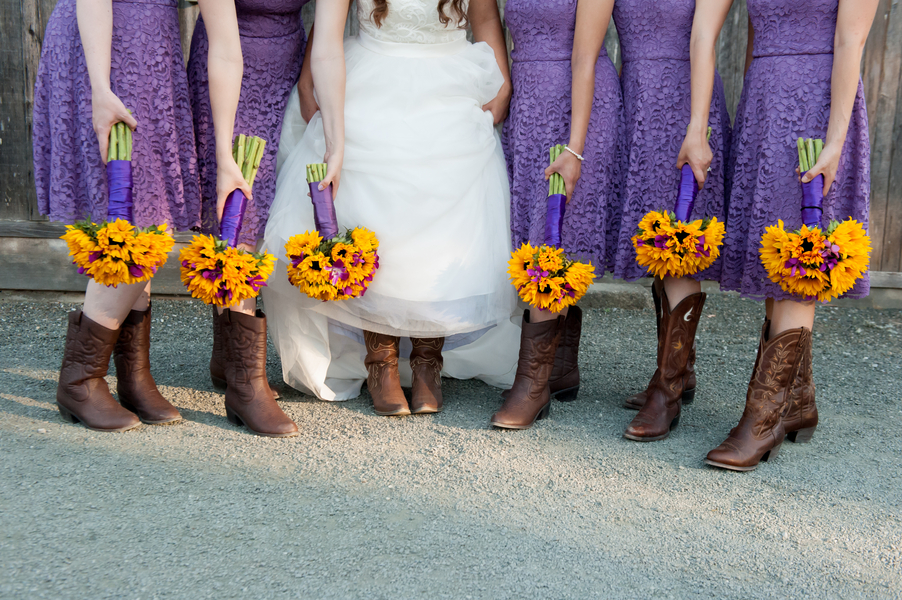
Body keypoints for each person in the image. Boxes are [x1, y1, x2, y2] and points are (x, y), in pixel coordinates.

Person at [262, 0, 521, 413]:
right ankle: (379, 360)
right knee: (372, 207)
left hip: (450, 77)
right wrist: (314, 85)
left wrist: (501, 82)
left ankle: (426, 360)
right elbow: (327, 29)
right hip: (372, 71)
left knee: (443, 212)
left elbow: (485, 15)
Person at [680, 0, 877, 470]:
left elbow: (851, 40)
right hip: (763, 106)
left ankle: (763, 419)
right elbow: (722, 34)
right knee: (774, 258)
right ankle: (798, 402)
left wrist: (834, 141)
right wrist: (713, 126)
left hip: (818, 104)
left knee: (798, 256)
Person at [33, 0, 247, 432]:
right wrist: (99, 86)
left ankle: (133, 377)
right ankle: (79, 380)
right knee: (134, 220)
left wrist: (226, 156)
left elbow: (226, 46)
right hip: (101, 51)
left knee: (150, 219)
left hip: (153, 57)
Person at [492, 0, 624, 429]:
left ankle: (531, 384)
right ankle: (560, 368)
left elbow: (585, 56)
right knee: (534, 235)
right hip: (529, 105)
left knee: (551, 236)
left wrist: (575, 147)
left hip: (576, 110)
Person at [187, 0, 316, 437]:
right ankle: (246, 384)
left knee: (264, 211)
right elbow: (224, 46)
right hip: (228, 75)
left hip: (285, 70)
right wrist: (223, 149)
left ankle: (227, 357)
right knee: (239, 206)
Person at [609, 0, 732, 442]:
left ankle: (669, 390)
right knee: (655, 244)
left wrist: (697, 128)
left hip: (684, 103)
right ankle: (679, 368)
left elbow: (704, 38)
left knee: (679, 244)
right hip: (637, 100)